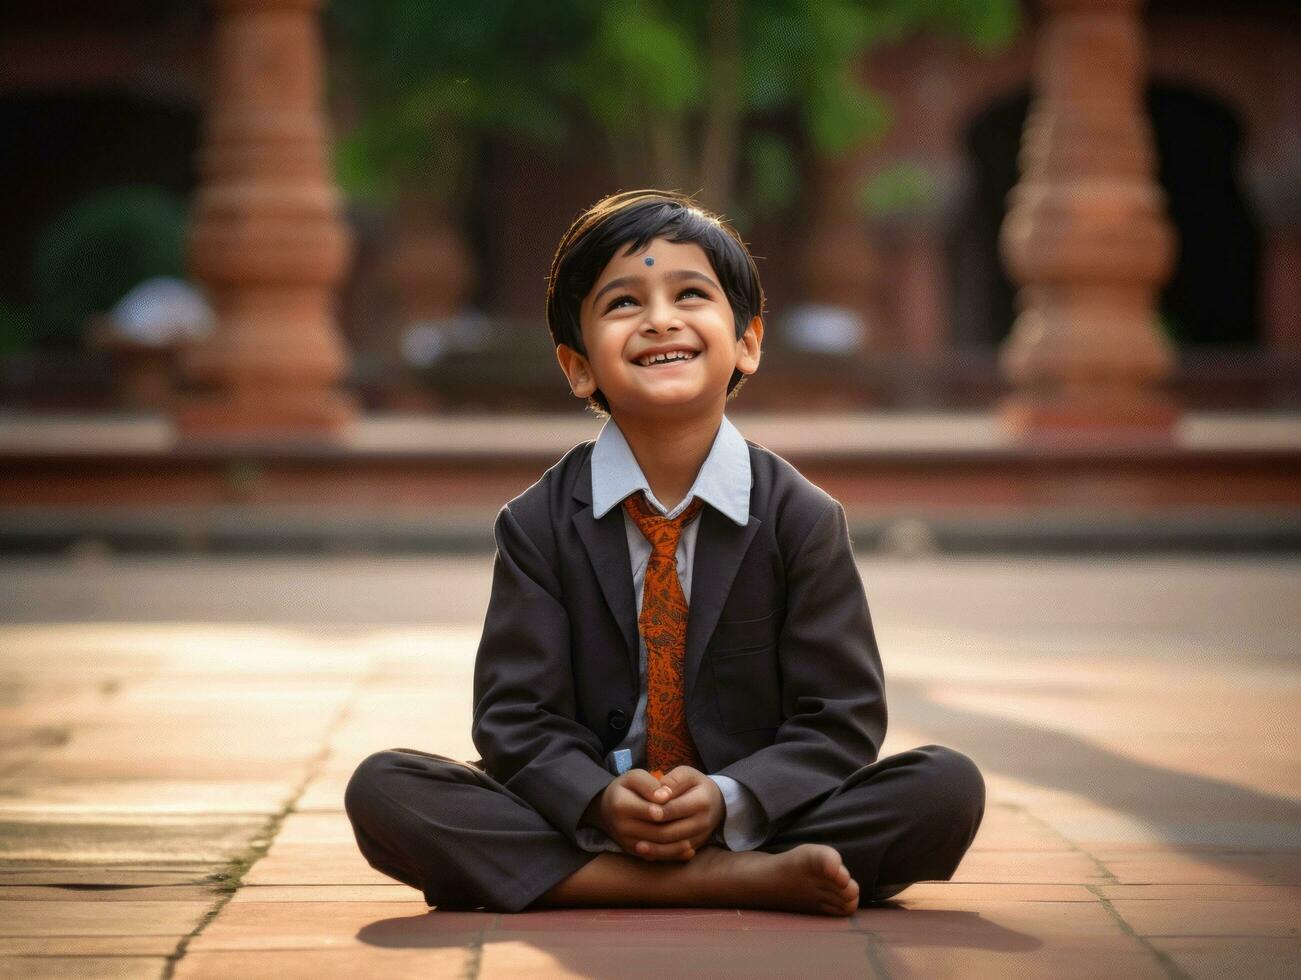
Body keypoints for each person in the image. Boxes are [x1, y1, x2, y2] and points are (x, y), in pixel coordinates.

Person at [344, 189, 985, 916]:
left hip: (756, 821)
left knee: (943, 788)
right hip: (587, 822)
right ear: (577, 365)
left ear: (746, 341)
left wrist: (726, 798)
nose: (659, 318)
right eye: (622, 303)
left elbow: (839, 718)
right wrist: (595, 799)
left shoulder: (800, 519)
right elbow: (514, 719)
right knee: (385, 788)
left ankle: (614, 882)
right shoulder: (536, 525)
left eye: (689, 293)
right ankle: (729, 884)